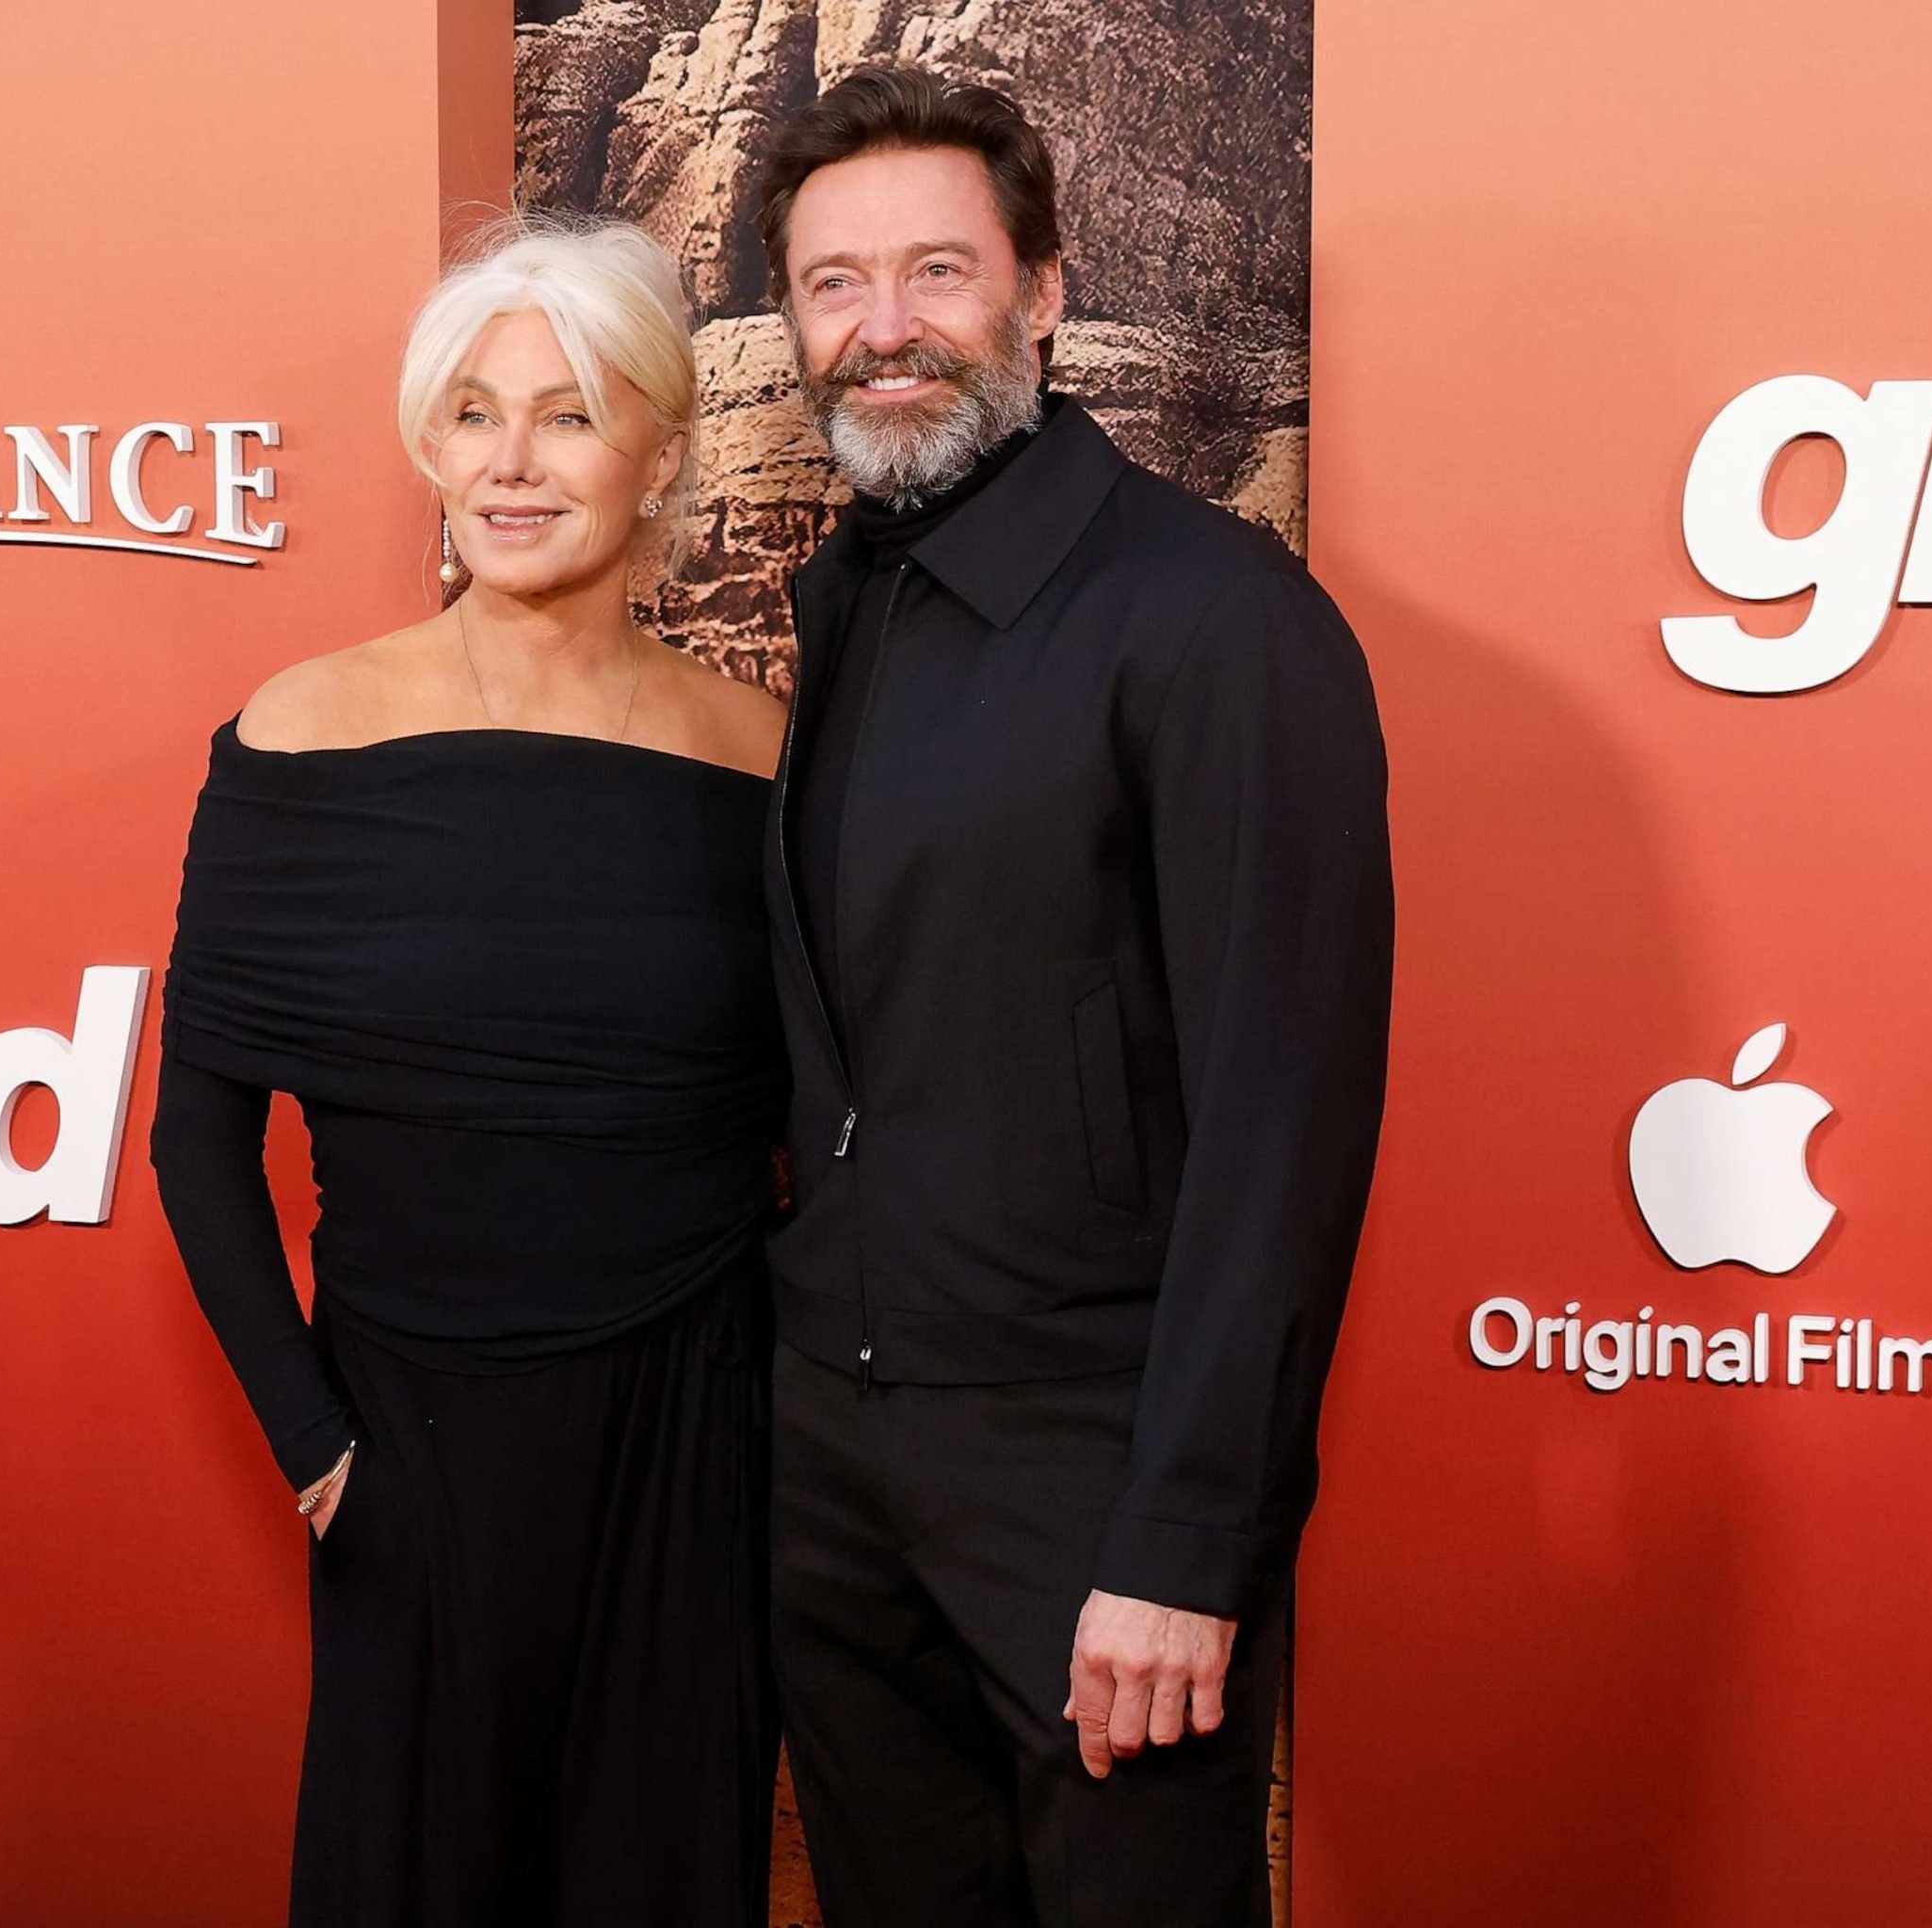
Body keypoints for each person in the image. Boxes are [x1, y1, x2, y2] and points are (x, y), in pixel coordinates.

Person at [747, 68, 1395, 1927]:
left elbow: (1283, 1121)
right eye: (835, 284)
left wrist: (1188, 1542)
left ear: (1042, 289)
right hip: (842, 1480)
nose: (886, 331)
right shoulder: (846, 603)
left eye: (937, 271)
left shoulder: (1216, 620)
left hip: (1094, 1488)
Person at [148, 217, 790, 1928]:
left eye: (570, 415)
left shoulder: (763, 756)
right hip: (409, 1447)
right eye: (475, 415)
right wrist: (316, 1448)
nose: (514, 465)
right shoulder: (304, 739)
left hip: (694, 1440)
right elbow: (196, 1143)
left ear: (660, 450)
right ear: (428, 446)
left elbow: (829, 1124)